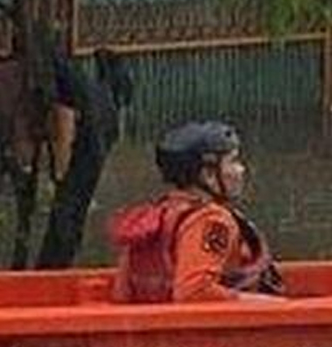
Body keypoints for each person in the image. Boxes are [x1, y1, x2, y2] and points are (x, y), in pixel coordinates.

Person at [109, 121, 283, 303]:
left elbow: (122, 294)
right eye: (233, 161)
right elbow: (193, 291)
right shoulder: (213, 223)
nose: (241, 169)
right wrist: (271, 305)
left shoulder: (151, 219)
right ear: (208, 174)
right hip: (202, 330)